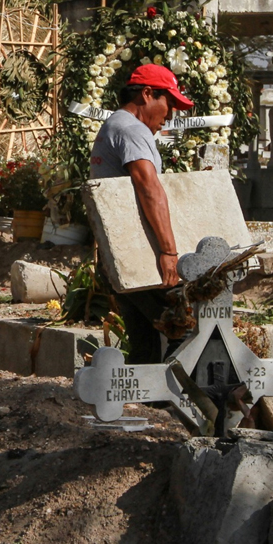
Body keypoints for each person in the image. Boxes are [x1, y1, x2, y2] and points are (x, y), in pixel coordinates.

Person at [89, 64, 194, 364]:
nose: (171, 115)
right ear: (148, 94)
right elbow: (149, 187)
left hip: (122, 254)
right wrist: (169, 251)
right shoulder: (132, 130)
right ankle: (177, 406)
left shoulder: (114, 125)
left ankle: (145, 409)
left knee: (146, 344)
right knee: (183, 330)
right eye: (169, 103)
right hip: (141, 254)